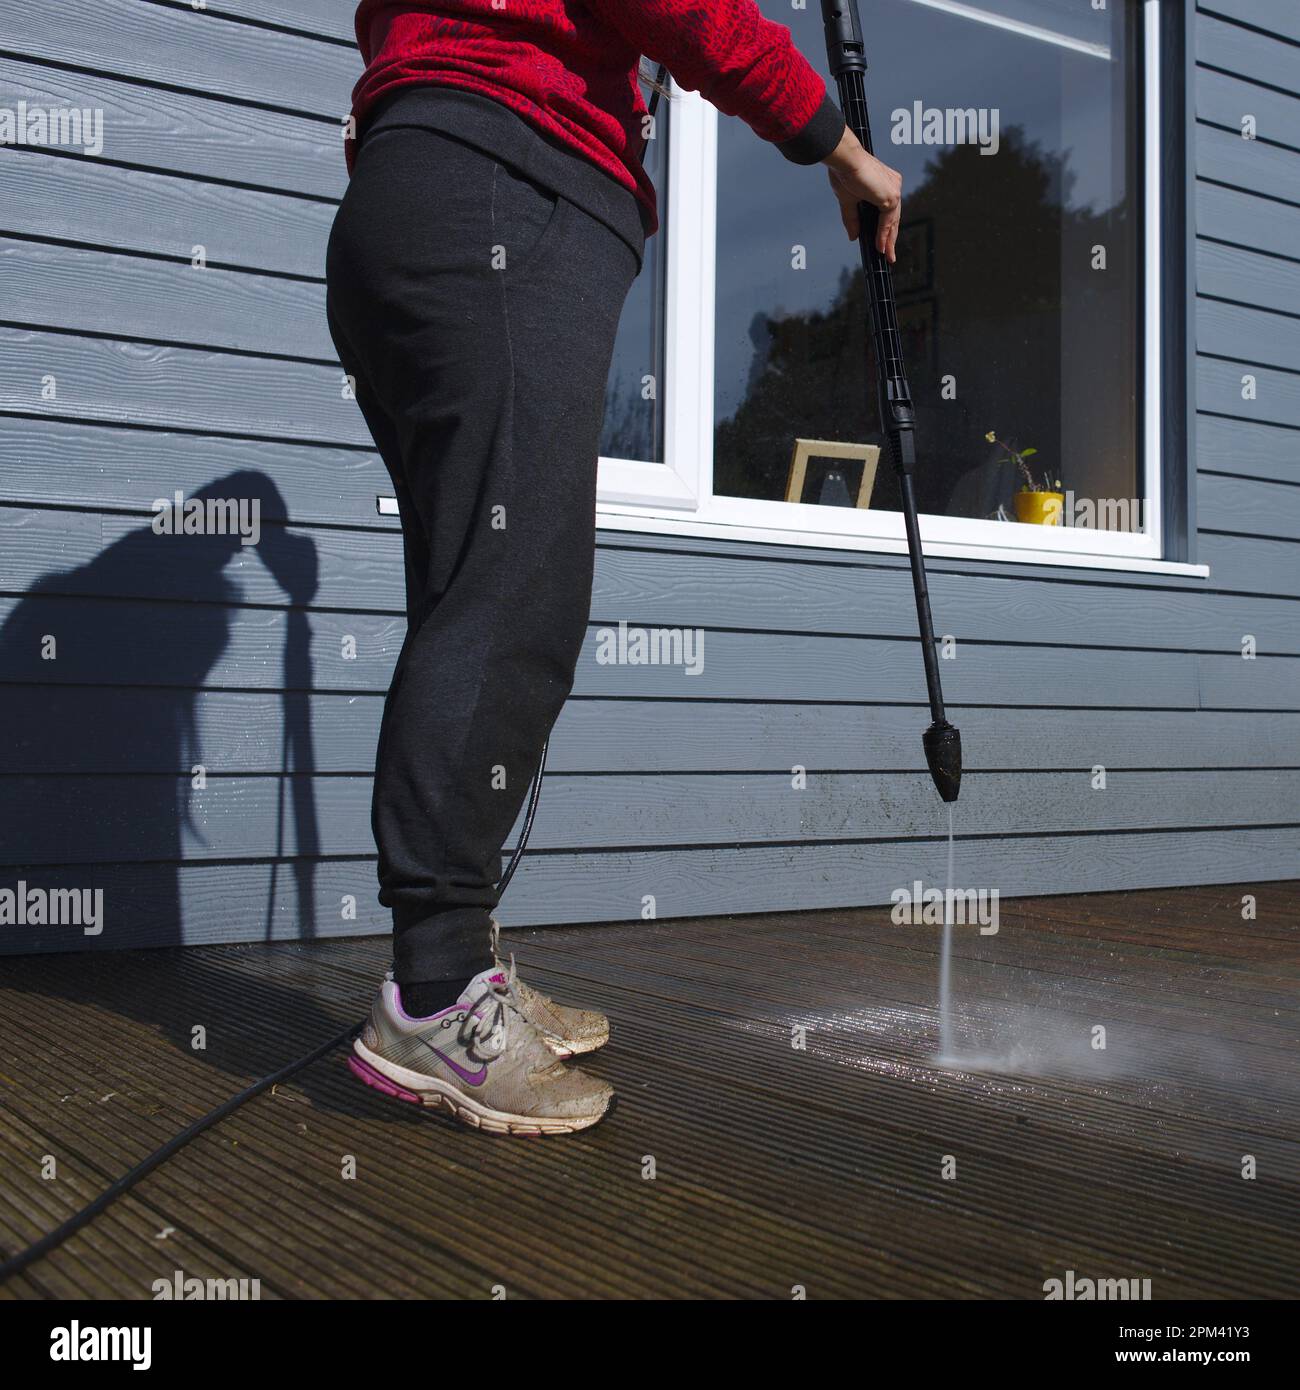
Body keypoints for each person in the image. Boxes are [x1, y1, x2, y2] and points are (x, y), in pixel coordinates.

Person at [327, 0, 902, 1136]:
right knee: (512, 598)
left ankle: (457, 956)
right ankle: (435, 1002)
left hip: (414, 186)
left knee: (467, 593)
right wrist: (835, 145)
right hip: (508, 177)